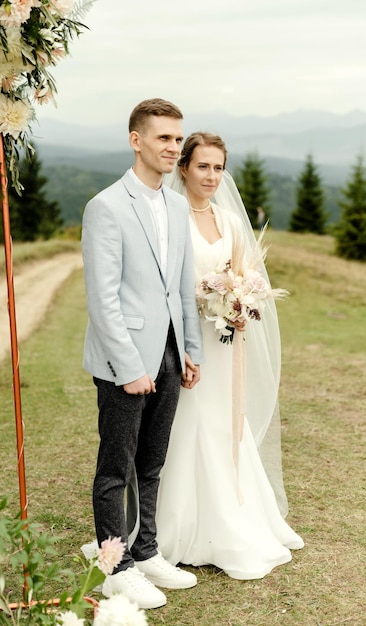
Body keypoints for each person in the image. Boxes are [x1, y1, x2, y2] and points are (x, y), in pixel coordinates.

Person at [152, 132, 303, 580]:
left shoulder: (231, 222)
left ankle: (231, 520)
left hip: (223, 343)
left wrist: (241, 302)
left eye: (218, 167)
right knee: (184, 422)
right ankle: (177, 526)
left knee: (223, 421)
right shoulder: (170, 217)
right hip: (183, 339)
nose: (211, 175)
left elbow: (246, 275)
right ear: (184, 168)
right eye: (202, 166)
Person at [81, 99, 204, 610]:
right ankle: (115, 566)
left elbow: (181, 286)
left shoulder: (176, 205)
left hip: (171, 355)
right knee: (117, 466)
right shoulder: (106, 206)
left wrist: (191, 349)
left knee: (152, 463)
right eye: (163, 138)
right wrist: (129, 367)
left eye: (178, 139)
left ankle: (147, 550)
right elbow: (102, 297)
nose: (173, 148)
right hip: (124, 361)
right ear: (137, 140)